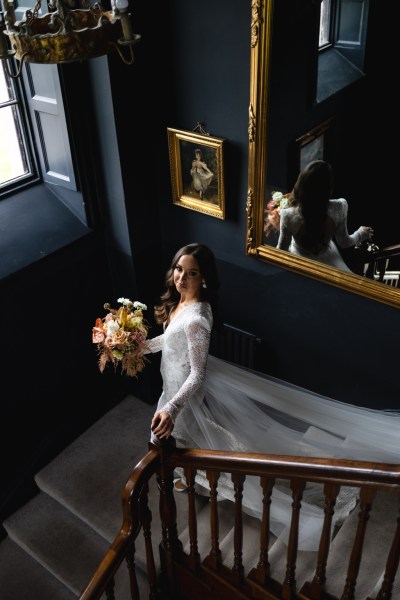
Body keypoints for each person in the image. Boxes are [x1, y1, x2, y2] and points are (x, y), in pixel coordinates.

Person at [142, 242, 400, 551]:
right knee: (193, 441)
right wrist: (139, 346)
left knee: (180, 442)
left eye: (192, 273)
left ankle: (261, 494)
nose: (182, 278)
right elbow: (170, 342)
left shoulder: (197, 318)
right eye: (179, 269)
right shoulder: (180, 302)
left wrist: (173, 407)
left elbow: (197, 373)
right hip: (170, 384)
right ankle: (191, 478)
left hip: (182, 394)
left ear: (204, 278)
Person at [276, 160, 374, 272]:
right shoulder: (339, 207)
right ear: (328, 187)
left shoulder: (287, 215)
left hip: (301, 266)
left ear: (301, 183)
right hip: (330, 265)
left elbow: (281, 252)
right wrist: (360, 234)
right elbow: (344, 242)